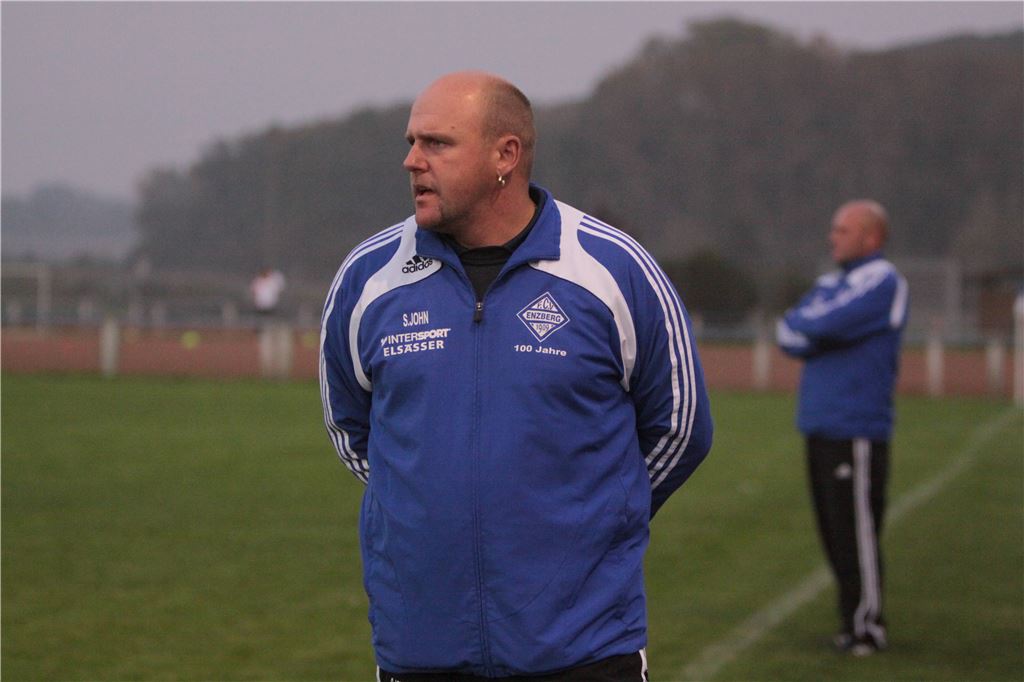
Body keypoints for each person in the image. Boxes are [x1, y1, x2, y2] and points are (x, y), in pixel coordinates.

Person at [319, 71, 713, 680]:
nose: (411, 161)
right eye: (411, 141)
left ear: (507, 155)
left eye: (437, 143)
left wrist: (595, 514)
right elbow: (352, 428)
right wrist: (427, 502)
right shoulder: (370, 277)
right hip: (421, 647)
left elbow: (680, 429)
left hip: (582, 650)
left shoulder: (612, 270)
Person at [776, 200, 909, 656]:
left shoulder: (882, 279)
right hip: (819, 425)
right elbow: (789, 332)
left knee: (857, 534)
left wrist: (817, 327)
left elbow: (819, 322)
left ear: (871, 236)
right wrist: (817, 328)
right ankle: (850, 623)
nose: (833, 237)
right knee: (833, 533)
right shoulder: (830, 283)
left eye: (843, 229)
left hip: (856, 430)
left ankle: (868, 626)